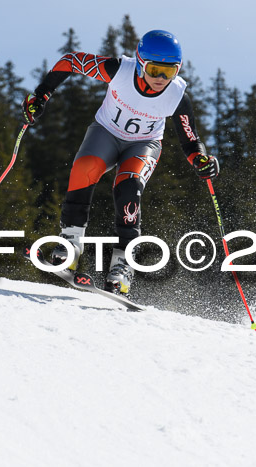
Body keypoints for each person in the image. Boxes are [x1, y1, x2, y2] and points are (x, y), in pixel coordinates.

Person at [22, 29, 219, 296]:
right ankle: (70, 244)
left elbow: (190, 140)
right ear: (140, 62)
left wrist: (202, 161)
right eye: (154, 69)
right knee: (84, 169)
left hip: (144, 144)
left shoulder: (176, 97)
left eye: (169, 72)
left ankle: (122, 267)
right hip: (105, 133)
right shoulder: (119, 71)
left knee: (129, 185)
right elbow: (70, 61)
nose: (161, 79)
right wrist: (42, 94)